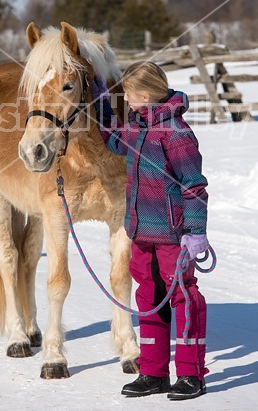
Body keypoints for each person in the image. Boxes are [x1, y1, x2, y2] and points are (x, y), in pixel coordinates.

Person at [91, 61, 210, 401]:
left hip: (174, 235)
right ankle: (154, 372)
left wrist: (195, 231)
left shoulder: (177, 134)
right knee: (148, 297)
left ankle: (191, 374)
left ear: (144, 95)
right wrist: (102, 101)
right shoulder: (137, 128)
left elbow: (194, 186)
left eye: (127, 94)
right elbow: (113, 139)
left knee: (183, 297)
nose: (124, 100)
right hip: (141, 233)